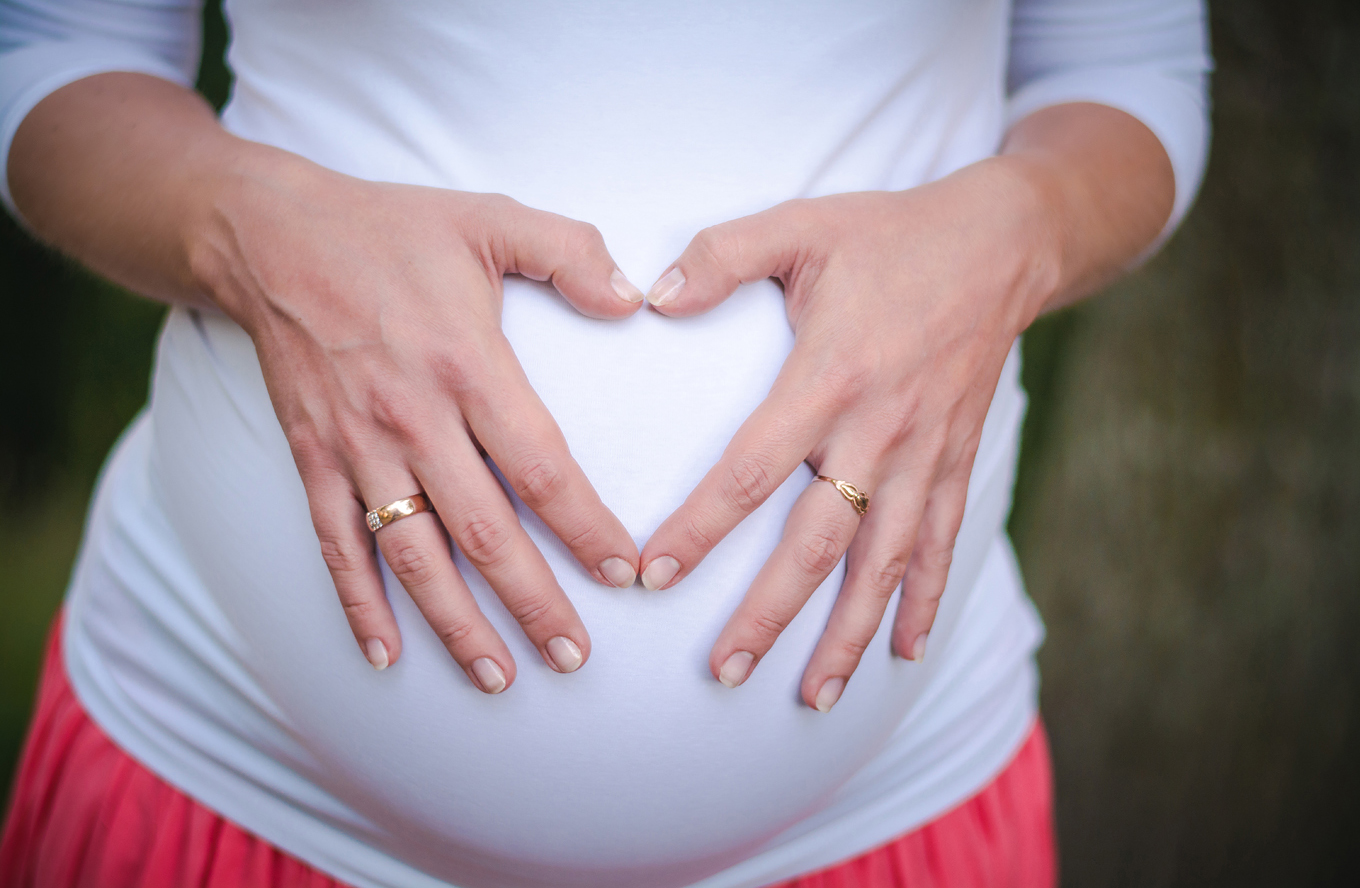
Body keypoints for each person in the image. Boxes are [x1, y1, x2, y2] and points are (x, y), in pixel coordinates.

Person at [0, 1, 1210, 886]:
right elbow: (57, 48)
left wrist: (1016, 229)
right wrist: (249, 232)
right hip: (238, 782)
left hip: (888, 813)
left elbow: (1122, 63)